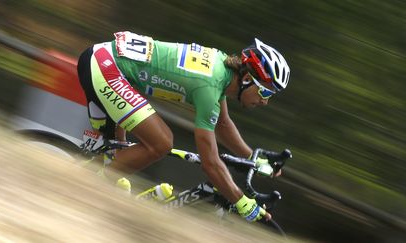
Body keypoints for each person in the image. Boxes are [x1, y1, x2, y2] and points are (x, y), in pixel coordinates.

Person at [77, 31, 290, 222]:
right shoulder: (209, 87)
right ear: (246, 78)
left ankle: (87, 182)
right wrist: (242, 202)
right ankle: (89, 189)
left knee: (117, 157)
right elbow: (210, 163)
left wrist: (253, 157)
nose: (265, 102)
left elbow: (222, 125)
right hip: (109, 68)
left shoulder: (222, 69)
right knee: (161, 142)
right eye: (266, 92)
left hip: (105, 60)